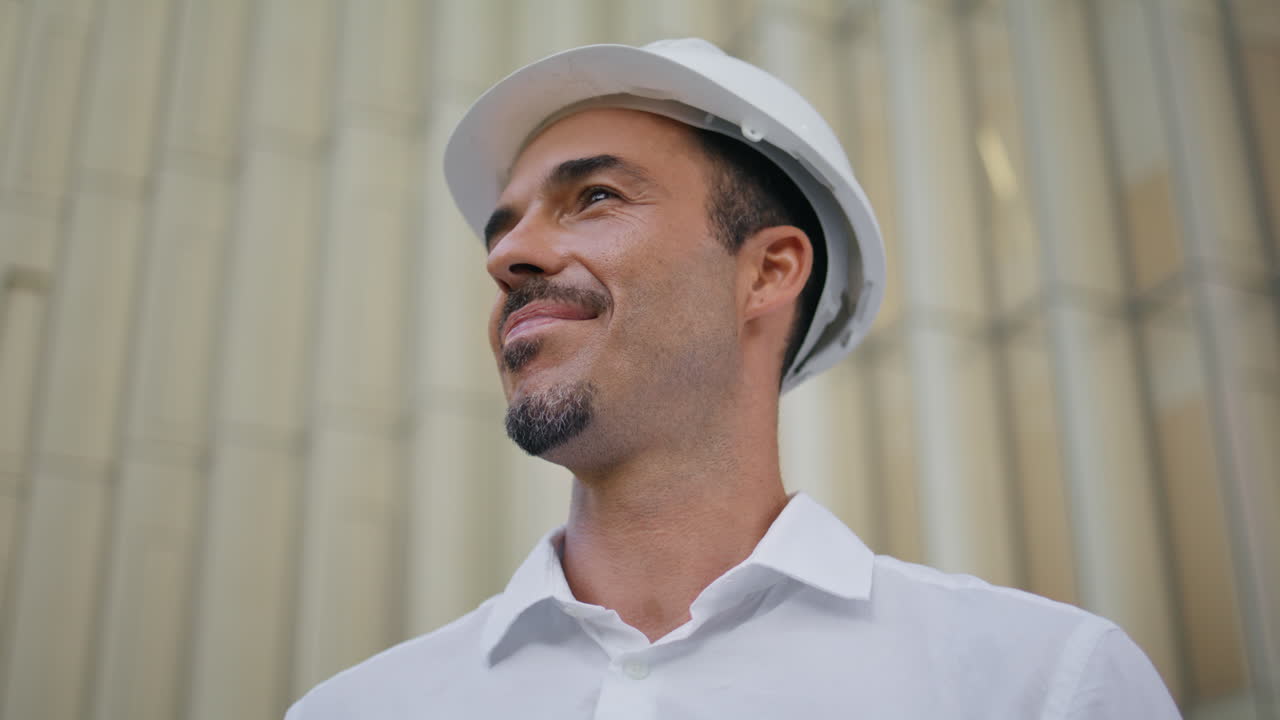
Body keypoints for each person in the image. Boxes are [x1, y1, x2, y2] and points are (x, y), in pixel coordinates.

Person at [286, 38, 1180, 719]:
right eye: (501, 229)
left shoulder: (1042, 685)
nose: (509, 255)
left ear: (768, 273)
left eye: (593, 196)